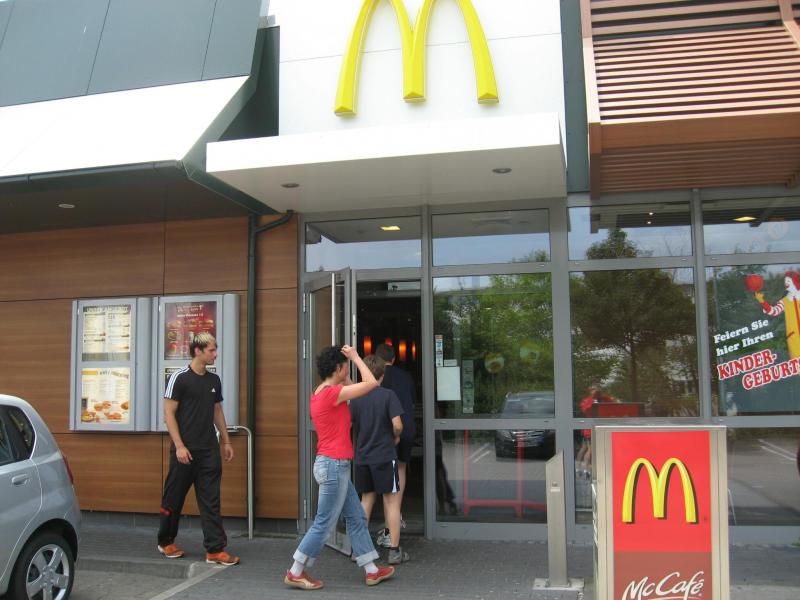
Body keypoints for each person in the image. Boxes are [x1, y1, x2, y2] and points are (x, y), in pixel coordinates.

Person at [284, 345, 395, 590]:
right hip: (333, 466)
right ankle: (295, 571)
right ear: (338, 368)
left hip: (334, 465)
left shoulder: (325, 391)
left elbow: (361, 390)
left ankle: (371, 570)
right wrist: (355, 357)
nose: (348, 369)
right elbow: (371, 384)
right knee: (324, 523)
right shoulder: (331, 394)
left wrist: (347, 368)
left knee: (356, 517)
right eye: (345, 367)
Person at [157, 332, 239, 566]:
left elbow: (217, 411)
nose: (215, 354)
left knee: (211, 500)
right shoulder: (179, 378)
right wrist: (179, 446)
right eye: (211, 350)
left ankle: (215, 549)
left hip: (209, 451)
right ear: (198, 351)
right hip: (184, 451)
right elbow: (168, 414)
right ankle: (165, 541)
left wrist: (226, 441)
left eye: (215, 349)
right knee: (174, 497)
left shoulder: (214, 380)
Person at [350, 354, 410, 565]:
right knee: (391, 502)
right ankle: (394, 551)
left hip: (363, 456)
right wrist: (396, 436)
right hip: (384, 455)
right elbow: (398, 425)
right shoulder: (388, 395)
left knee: (365, 501)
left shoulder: (355, 399)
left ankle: (358, 550)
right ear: (382, 375)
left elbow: (350, 425)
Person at [374, 343, 416, 545]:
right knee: (401, 469)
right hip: (407, 427)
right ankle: (396, 516)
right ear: (393, 359)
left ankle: (389, 528)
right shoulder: (406, 376)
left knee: (387, 477)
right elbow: (412, 400)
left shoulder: (377, 376)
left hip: (388, 429)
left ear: (377, 359)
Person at [755, 271, 800, 359]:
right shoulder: (785, 301)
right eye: (785, 281)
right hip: (794, 338)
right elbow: (774, 311)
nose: (786, 283)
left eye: (788, 281)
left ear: (795, 281)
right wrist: (762, 301)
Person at [576, 383, 615, 474]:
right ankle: (584, 468)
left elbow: (613, 406)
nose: (597, 392)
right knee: (589, 449)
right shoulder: (587, 400)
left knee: (585, 447)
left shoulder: (605, 399)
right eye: (594, 390)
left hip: (598, 427)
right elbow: (586, 410)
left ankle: (580, 467)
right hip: (590, 429)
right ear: (590, 391)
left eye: (598, 390)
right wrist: (594, 402)